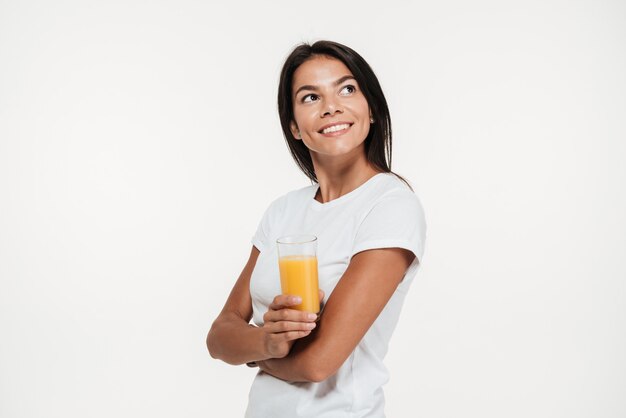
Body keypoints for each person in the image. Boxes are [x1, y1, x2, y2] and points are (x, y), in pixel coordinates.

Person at [207, 40, 426, 418]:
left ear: (370, 109)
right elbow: (219, 336)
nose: (331, 106)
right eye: (310, 97)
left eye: (347, 89)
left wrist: (258, 355)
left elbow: (318, 363)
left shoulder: (390, 205)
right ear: (293, 125)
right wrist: (267, 341)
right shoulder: (283, 210)